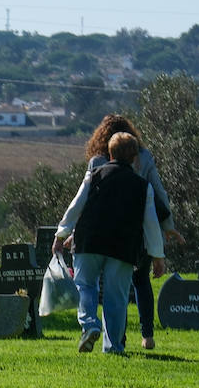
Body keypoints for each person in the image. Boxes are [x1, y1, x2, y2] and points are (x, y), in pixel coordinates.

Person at [76, 114, 183, 350]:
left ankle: (103, 332)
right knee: (133, 284)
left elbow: (85, 201)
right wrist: (168, 226)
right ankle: (138, 337)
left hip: (98, 231)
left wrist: (71, 231)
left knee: (95, 285)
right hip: (134, 231)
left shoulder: (97, 162)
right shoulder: (143, 158)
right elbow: (158, 192)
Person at [53, 132, 165, 355]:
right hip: (122, 247)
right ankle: (113, 347)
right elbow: (151, 224)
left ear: (109, 153)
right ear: (135, 158)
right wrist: (157, 256)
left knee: (85, 286)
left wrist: (61, 234)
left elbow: (76, 206)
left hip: (89, 241)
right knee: (117, 298)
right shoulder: (143, 186)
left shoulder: (94, 175)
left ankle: (89, 324)